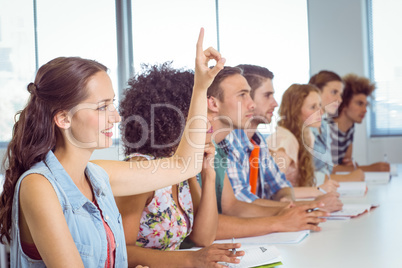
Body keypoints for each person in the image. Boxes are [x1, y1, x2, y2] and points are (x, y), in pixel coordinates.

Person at [0, 29, 241, 267]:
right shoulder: (39, 187)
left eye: (112, 104)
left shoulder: (99, 175)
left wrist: (201, 86)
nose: (116, 117)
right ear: (64, 119)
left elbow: (184, 166)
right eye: (102, 107)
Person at [116, 63, 244, 267]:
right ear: (173, 119)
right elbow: (121, 253)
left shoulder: (182, 169)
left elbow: (204, 237)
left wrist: (208, 174)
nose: (211, 120)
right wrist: (190, 260)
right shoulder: (141, 169)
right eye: (202, 112)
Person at [205, 66, 331, 239]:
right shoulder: (220, 143)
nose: (251, 104)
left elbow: (236, 204)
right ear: (212, 103)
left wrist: (290, 207)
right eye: (242, 95)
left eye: (249, 94)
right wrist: (287, 215)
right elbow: (210, 224)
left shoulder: (228, 145)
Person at [266, 83, 342, 198]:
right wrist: (318, 190)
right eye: (313, 107)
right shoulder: (284, 140)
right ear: (295, 111)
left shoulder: (308, 135)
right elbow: (273, 191)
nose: (321, 112)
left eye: (320, 105)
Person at [309, 70, 365, 182]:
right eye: (334, 92)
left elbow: (328, 169)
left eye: (340, 94)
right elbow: (305, 178)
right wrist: (348, 177)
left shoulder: (324, 126)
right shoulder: (304, 128)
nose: (340, 100)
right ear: (316, 92)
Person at [329, 73, 390, 172]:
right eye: (359, 104)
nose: (365, 110)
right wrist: (369, 168)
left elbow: (345, 164)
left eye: (365, 105)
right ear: (344, 103)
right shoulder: (328, 129)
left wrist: (351, 166)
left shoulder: (350, 127)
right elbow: (326, 170)